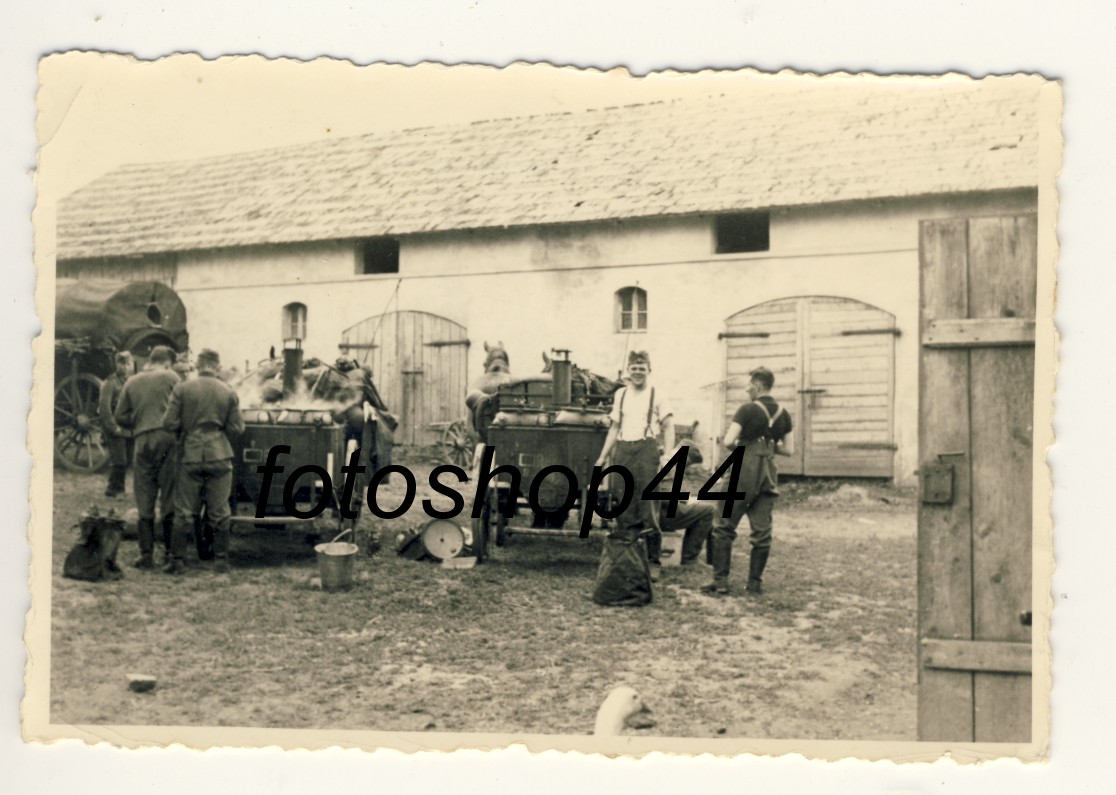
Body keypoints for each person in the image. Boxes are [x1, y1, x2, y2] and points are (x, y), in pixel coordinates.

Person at [703, 366, 793, 596]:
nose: (746, 389)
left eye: (748, 385)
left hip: (743, 471)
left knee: (723, 525)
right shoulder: (784, 413)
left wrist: (744, 446)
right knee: (762, 532)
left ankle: (721, 582)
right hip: (768, 472)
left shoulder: (747, 409)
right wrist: (768, 446)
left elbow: (728, 441)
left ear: (758, 385)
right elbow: (789, 450)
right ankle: (754, 583)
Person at [162, 348, 245, 575]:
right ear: (216, 367)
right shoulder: (228, 391)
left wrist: (186, 429)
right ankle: (221, 561)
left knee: (184, 511)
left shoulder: (182, 388)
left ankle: (178, 561)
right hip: (219, 455)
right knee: (220, 510)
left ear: (198, 366)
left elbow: (168, 422)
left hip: (190, 454)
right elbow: (237, 428)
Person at [594, 350, 674, 582]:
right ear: (628, 371)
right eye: (634, 369)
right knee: (624, 506)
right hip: (623, 452)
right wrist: (602, 457)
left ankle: (653, 561)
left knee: (648, 507)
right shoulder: (621, 394)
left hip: (646, 451)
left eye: (642, 369)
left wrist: (668, 455)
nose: (638, 373)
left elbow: (669, 427)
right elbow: (614, 428)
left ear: (649, 370)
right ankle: (629, 558)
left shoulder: (658, 395)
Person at [114, 346, 180, 569]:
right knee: (169, 495)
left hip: (142, 441)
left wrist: (139, 421)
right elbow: (182, 408)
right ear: (167, 362)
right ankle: (170, 554)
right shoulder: (172, 378)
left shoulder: (132, 381)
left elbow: (119, 416)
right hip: (167, 440)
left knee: (144, 496)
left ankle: (146, 555)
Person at [98, 351, 134, 497]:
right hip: (115, 427)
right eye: (121, 364)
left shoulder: (132, 382)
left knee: (128, 459)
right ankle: (114, 489)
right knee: (120, 460)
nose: (124, 367)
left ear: (131, 365)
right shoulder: (110, 383)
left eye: (127, 364)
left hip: (128, 427)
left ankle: (117, 487)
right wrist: (113, 427)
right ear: (116, 364)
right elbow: (105, 409)